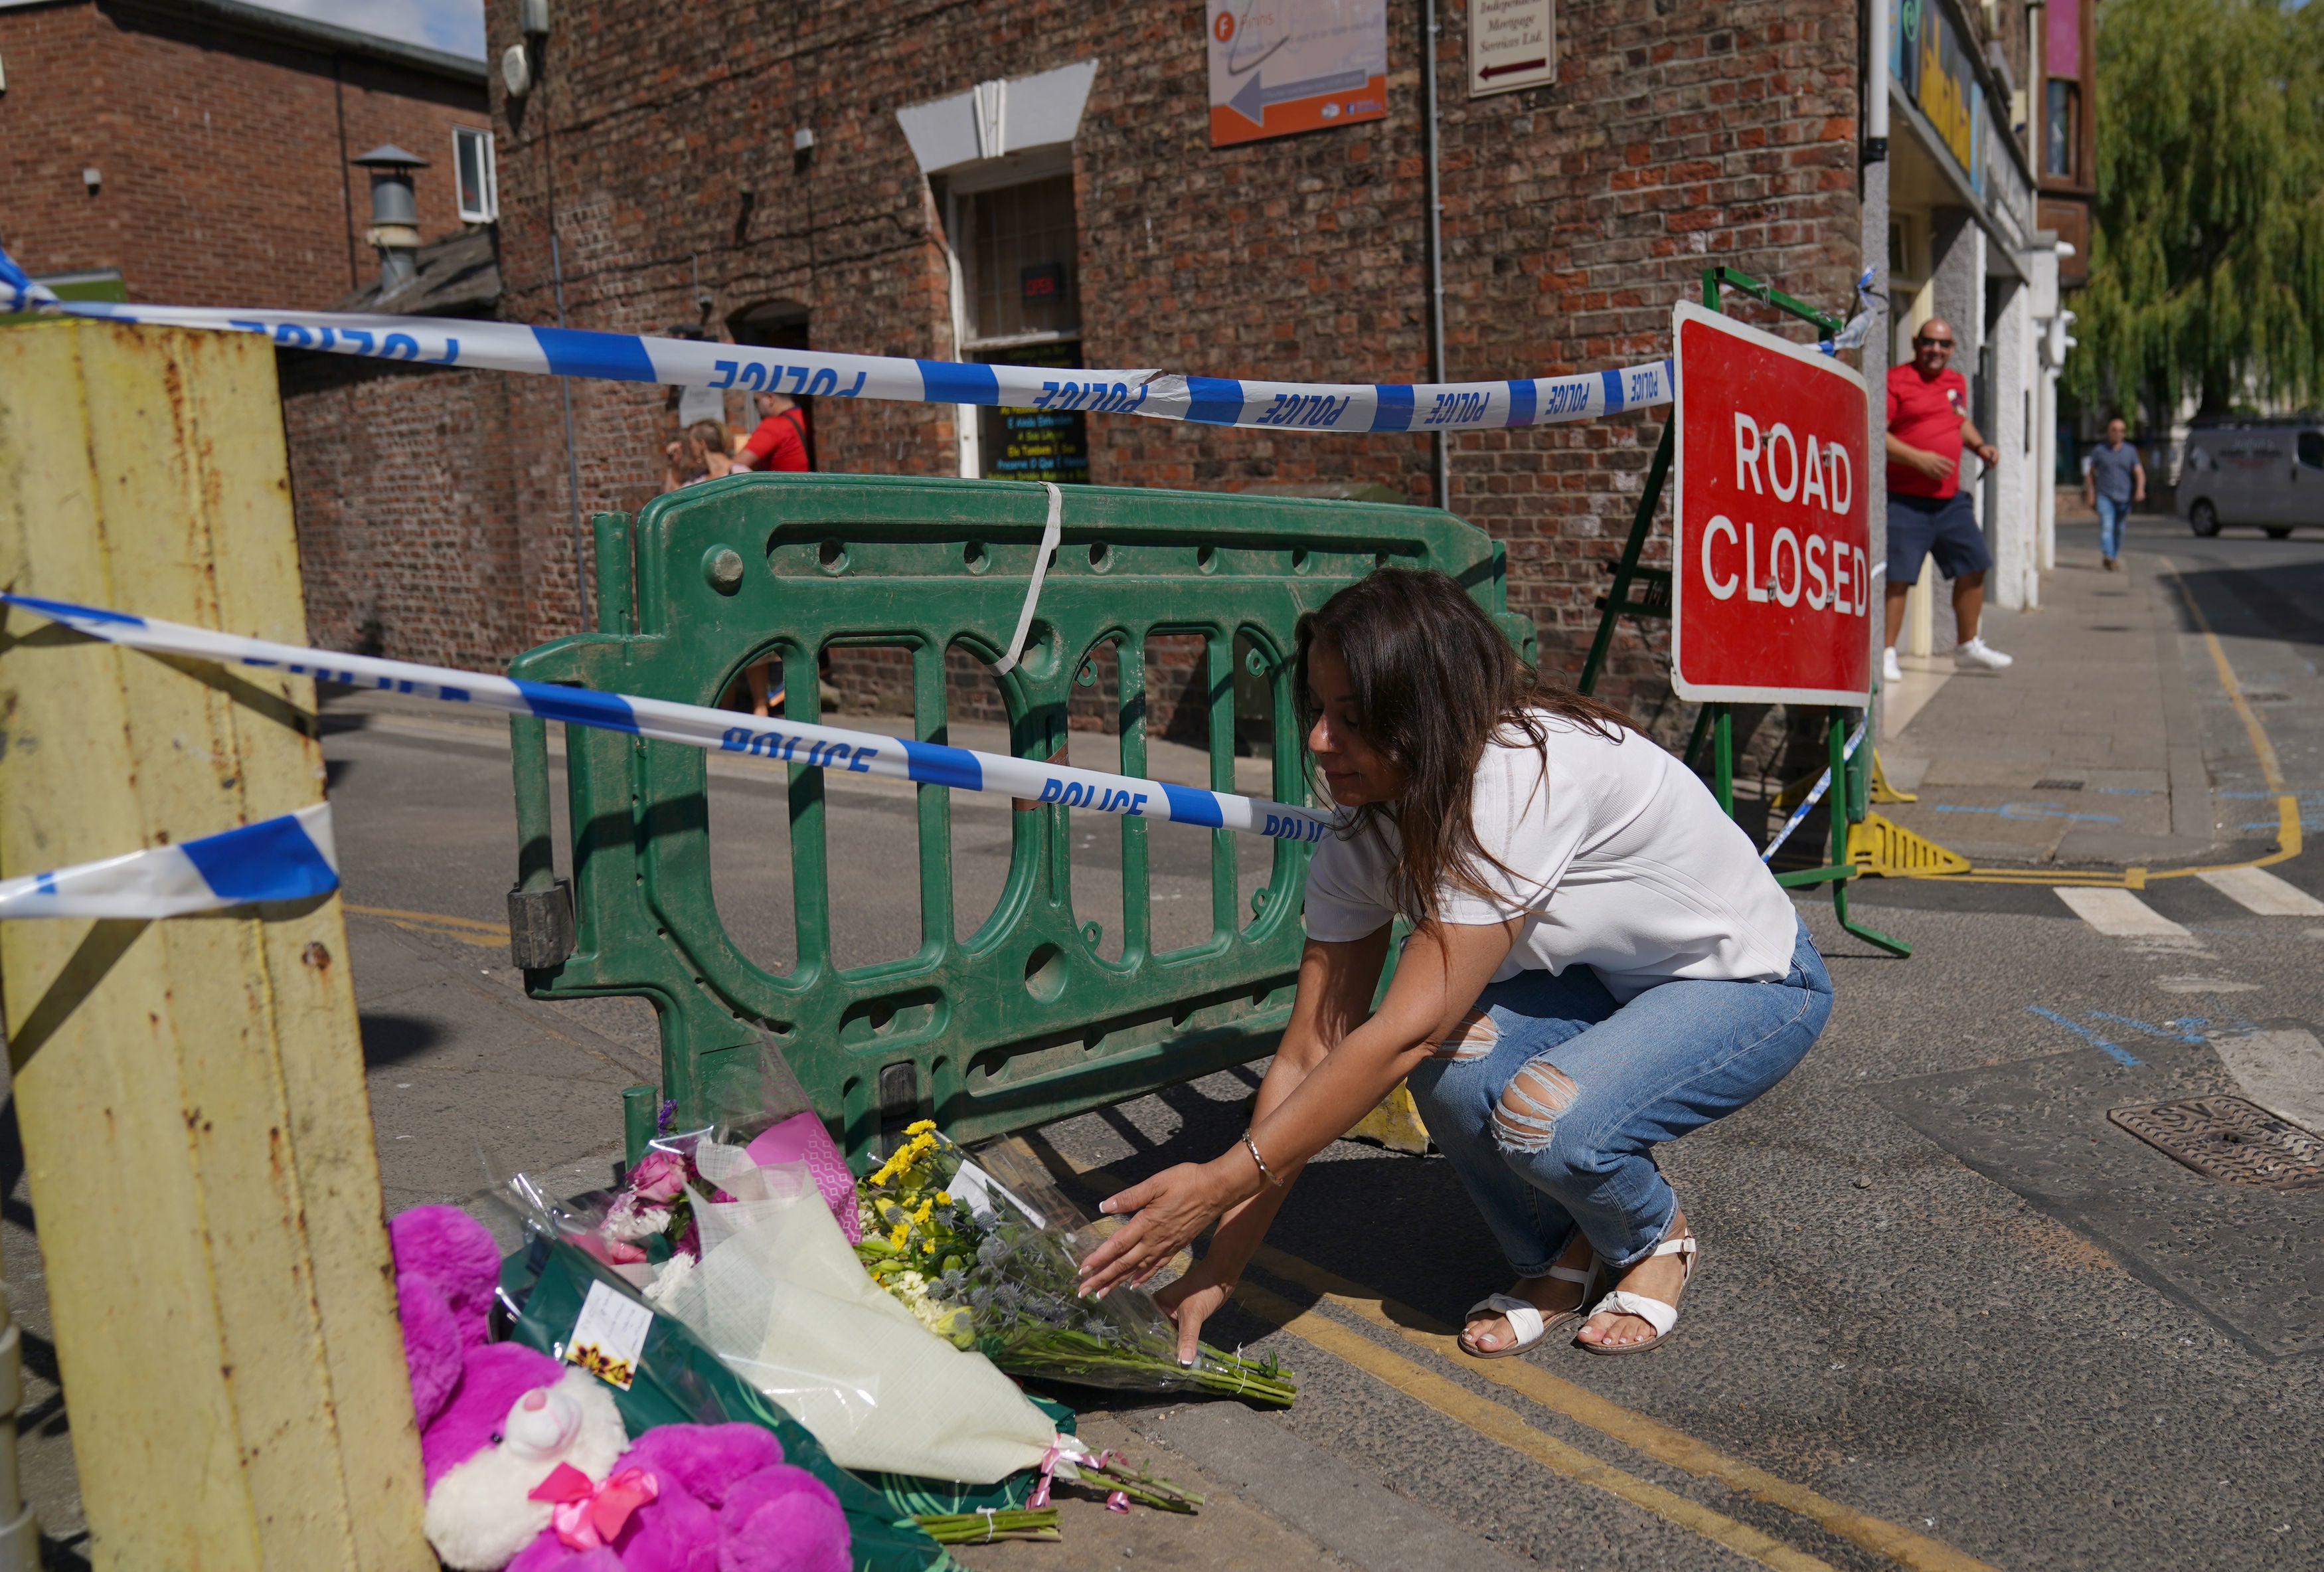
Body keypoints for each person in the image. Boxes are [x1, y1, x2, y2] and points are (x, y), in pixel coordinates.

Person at [1076, 569, 1834, 1359]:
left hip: (1748, 983)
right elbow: (1310, 1051)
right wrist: (1220, 1269)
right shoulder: (1362, 830)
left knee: (1545, 1120)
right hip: (1609, 984)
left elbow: (1402, 1028)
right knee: (1451, 1060)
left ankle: (1652, 1237)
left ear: (1426, 711)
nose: (1317, 740)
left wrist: (1223, 1181)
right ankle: (1556, 1253)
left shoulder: (1519, 772)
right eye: (1319, 710)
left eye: (1352, 717)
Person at [1882, 317, 2010, 683]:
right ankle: (1888, 652)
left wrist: (1979, 445)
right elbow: (1879, 433)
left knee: (1975, 564)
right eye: (1928, 342)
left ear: (1952, 349)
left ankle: (1967, 646)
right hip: (1906, 500)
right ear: (1915, 342)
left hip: (1949, 500)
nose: (1935, 350)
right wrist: (1918, 459)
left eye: (1943, 345)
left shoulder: (1954, 383)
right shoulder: (1896, 380)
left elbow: (1959, 421)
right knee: (1899, 577)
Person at [2082, 416, 2145, 571]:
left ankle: (2113, 557)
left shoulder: (2130, 451)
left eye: (2122, 431)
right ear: (2108, 432)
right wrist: (2090, 493)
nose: (2118, 434)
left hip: (2124, 497)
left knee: (2119, 529)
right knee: (2107, 526)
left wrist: (2140, 489)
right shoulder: (2100, 451)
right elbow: (2090, 474)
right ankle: (2108, 556)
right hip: (2105, 496)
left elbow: (2139, 472)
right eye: (2114, 430)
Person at [729, 388, 810, 473]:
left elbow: (737, 465)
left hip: (784, 485)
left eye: (756, 401)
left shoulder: (774, 425)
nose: (756, 408)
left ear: (770, 398)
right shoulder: (806, 418)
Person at [661, 418, 735, 492]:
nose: (691, 447)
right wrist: (674, 466)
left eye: (691, 442)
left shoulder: (737, 471)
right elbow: (673, 497)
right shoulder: (700, 479)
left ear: (702, 444)